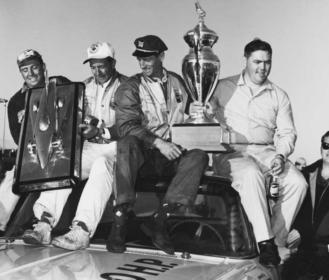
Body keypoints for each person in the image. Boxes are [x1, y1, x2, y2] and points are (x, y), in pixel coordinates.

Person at [203, 38, 308, 266]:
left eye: (267, 62)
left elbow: (288, 133)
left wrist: (281, 155)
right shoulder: (222, 86)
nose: (262, 67)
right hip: (232, 154)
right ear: (246, 60)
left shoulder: (279, 95)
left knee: (298, 183)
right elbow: (204, 113)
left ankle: (276, 240)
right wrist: (208, 110)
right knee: (251, 174)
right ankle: (265, 244)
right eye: (257, 62)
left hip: (267, 152)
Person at [106, 35, 208, 255]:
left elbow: (189, 114)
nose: (142, 63)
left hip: (171, 154)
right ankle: (120, 220)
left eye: (148, 58)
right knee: (126, 143)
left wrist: (200, 113)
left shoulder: (178, 81)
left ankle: (160, 221)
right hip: (144, 157)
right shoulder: (130, 87)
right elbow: (125, 126)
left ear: (161, 56)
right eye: (139, 58)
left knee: (199, 156)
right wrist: (158, 142)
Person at [22, 42, 128, 250]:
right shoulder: (84, 86)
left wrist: (101, 129)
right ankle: (43, 224)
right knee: (64, 163)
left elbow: (131, 124)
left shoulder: (127, 86)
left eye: (102, 65)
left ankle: (81, 230)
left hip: (117, 147)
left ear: (113, 63)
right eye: (93, 66)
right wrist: (33, 114)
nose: (97, 71)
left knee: (101, 166)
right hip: (89, 145)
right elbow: (63, 117)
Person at [0, 49, 70, 234]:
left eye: (34, 67)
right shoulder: (16, 101)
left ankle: (43, 222)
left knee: (55, 173)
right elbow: (18, 140)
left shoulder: (60, 83)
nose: (30, 73)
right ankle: (0, 223)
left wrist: (35, 113)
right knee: (12, 176)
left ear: (43, 67)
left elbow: (70, 112)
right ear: (20, 73)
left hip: (62, 151)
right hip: (34, 154)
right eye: (25, 70)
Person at [282, 130, 329, 280]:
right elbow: (295, 208)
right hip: (305, 251)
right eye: (326, 146)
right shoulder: (304, 176)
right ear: (321, 148)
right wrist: (299, 229)